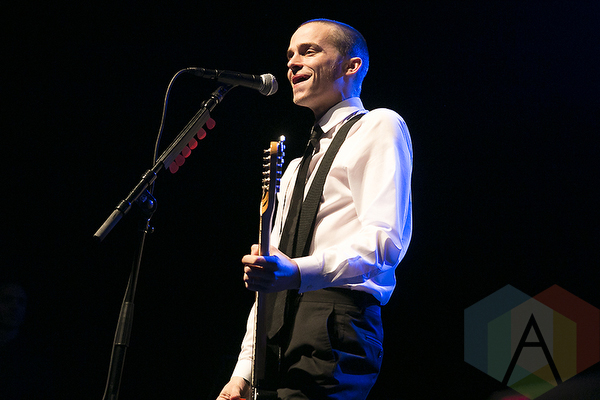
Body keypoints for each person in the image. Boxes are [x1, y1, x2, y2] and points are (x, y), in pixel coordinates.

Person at [217, 18, 413, 400]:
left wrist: (297, 271)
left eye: (309, 51)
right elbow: (271, 275)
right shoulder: (294, 167)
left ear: (351, 66)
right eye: (290, 54)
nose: (292, 63)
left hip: (334, 319)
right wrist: (242, 371)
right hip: (276, 330)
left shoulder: (378, 126)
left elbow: (385, 242)